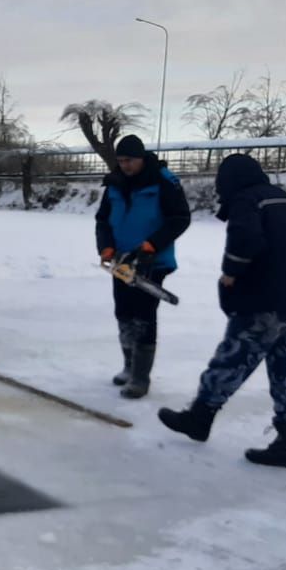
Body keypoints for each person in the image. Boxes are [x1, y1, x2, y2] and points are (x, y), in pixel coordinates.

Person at [158, 154, 286, 470]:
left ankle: (199, 417)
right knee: (285, 370)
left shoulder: (248, 199)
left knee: (231, 358)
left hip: (262, 300)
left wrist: (231, 272)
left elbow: (245, 238)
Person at [95, 134, 191, 399]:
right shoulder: (114, 183)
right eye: (121, 160)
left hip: (153, 260)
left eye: (129, 160)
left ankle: (140, 377)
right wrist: (105, 247)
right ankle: (128, 365)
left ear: (141, 158)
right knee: (123, 312)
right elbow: (103, 219)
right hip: (121, 261)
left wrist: (152, 245)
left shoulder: (164, 181)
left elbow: (180, 218)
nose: (124, 166)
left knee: (144, 316)